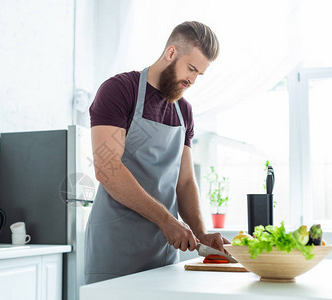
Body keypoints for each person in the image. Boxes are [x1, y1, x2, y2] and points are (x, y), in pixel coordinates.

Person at [85, 21, 230, 284]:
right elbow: (107, 168)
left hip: (163, 252)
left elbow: (184, 181)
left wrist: (201, 232)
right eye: (191, 69)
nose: (192, 80)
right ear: (171, 53)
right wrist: (167, 221)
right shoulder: (119, 90)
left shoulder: (184, 111)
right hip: (116, 249)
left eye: (199, 74)